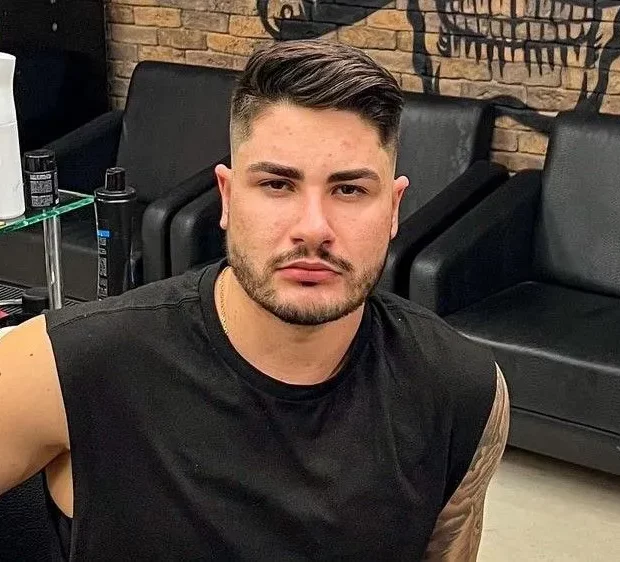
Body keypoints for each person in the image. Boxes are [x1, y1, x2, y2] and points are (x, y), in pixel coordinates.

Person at [0, 40, 509, 561]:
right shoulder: (72, 365)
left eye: (350, 190)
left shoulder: (459, 388)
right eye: (277, 184)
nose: (313, 228)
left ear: (394, 207)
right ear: (226, 197)